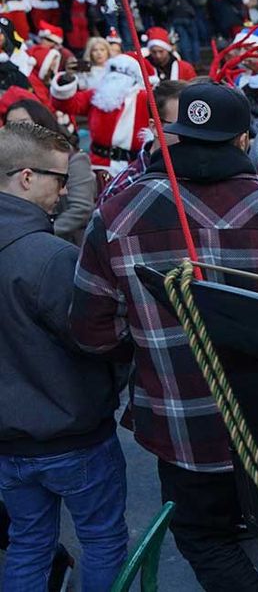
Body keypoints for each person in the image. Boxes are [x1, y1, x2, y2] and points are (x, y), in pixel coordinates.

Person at [71, 83, 258, 592]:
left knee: (204, 537)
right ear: (243, 140)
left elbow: (93, 332)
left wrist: (151, 349)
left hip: (181, 427)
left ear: (177, 138)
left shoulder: (116, 216)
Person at [0, 122, 128, 592]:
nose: (68, 191)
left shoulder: (46, 250)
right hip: (72, 433)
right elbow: (96, 339)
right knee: (102, 540)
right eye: (61, 179)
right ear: (26, 178)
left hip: (10, 442)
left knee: (28, 543)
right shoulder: (50, 256)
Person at [4, 99, 96, 243]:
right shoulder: (8, 161)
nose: (18, 131)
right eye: (11, 126)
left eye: (24, 123)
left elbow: (81, 208)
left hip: (62, 242)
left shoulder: (72, 159)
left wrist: (41, 233)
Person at [51, 53, 154, 177]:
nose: (116, 76)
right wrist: (66, 81)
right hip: (98, 165)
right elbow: (68, 104)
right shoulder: (98, 94)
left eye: (122, 71)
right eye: (113, 70)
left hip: (133, 167)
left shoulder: (146, 99)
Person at [98, 78, 186, 205]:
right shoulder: (121, 189)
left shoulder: (207, 179)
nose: (193, 134)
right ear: (156, 128)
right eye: (181, 126)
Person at [154, 0, 200, 65]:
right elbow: (197, 0)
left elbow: (158, 1)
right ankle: (197, 61)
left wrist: (166, 8)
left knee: (183, 40)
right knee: (194, 39)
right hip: (189, 15)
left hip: (175, 16)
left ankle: (188, 62)